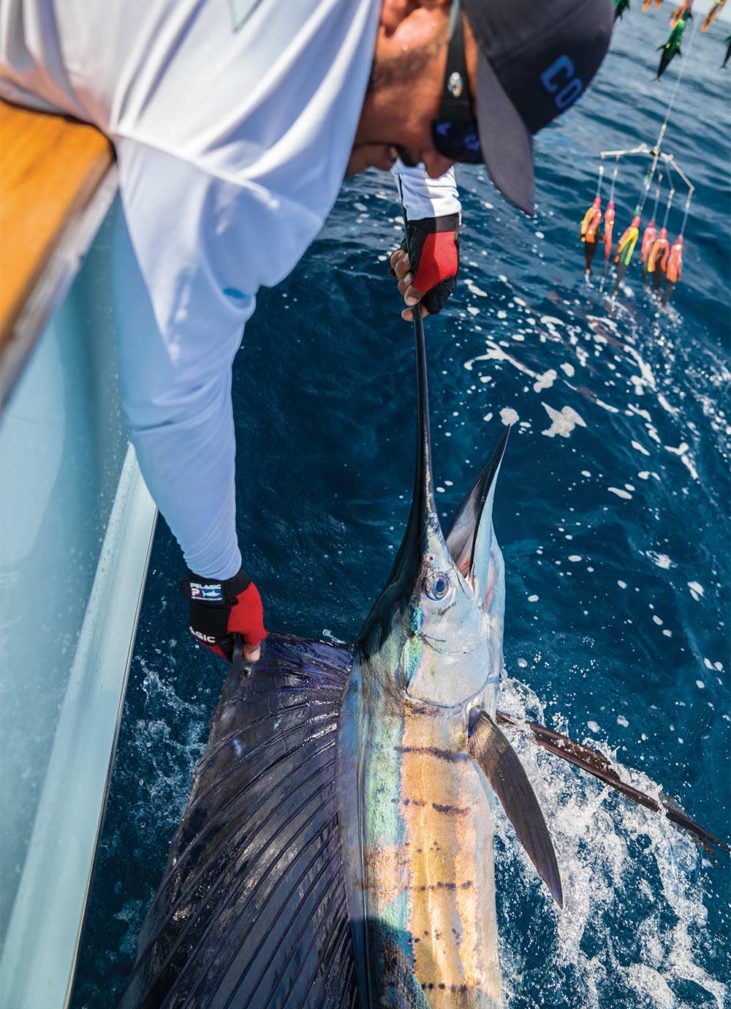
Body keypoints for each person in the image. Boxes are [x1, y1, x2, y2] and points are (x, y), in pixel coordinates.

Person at [1, 0, 614, 663]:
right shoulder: (249, 154)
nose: (441, 161)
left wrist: (430, 206)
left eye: (470, 149)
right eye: (462, 130)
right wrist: (216, 580)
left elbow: (404, 69)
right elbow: (170, 401)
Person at [580, 196, 603, 280]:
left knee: (591, 253)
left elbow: (597, 226)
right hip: (589, 236)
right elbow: (585, 222)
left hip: (594, 237)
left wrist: (599, 236)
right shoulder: (591, 211)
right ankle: (587, 268)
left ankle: (588, 268)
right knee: (588, 253)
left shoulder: (599, 212)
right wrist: (583, 234)